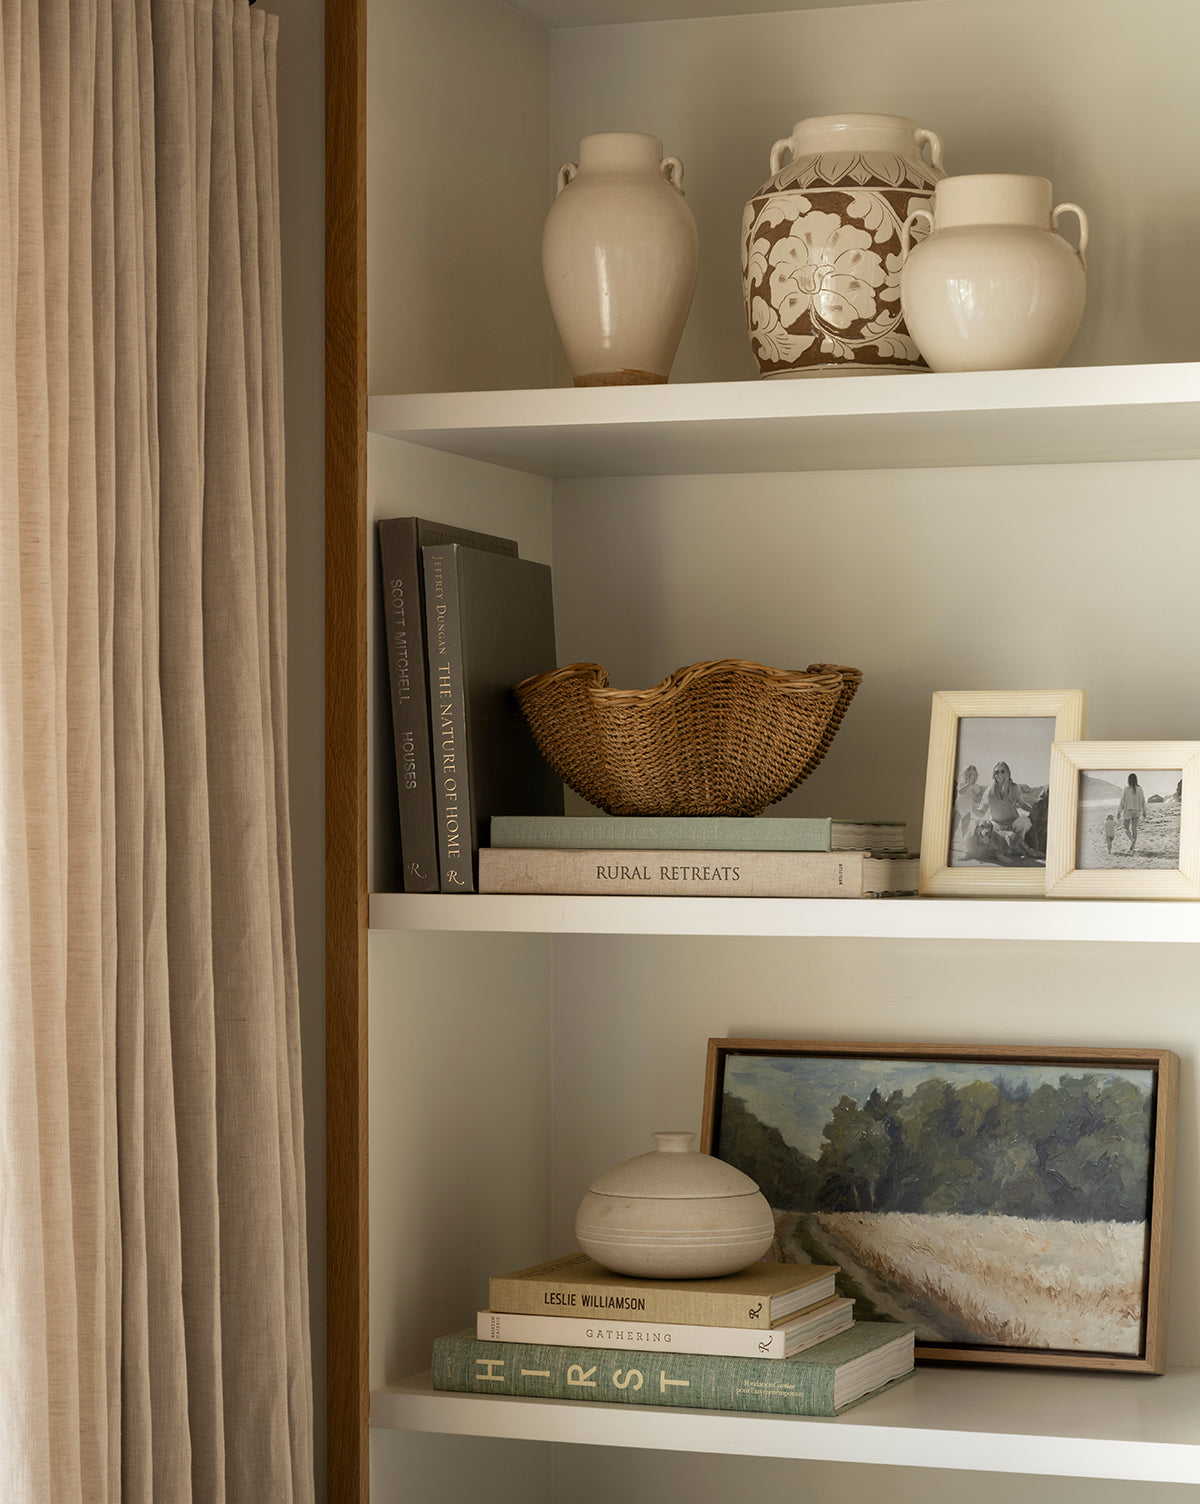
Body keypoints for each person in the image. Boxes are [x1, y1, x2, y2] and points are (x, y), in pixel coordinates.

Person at [975, 761, 1045, 861]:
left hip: (1013, 824)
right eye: (996, 772)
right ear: (993, 774)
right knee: (992, 831)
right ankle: (1014, 849)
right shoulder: (989, 791)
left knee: (1025, 822)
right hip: (997, 825)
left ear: (1007, 773)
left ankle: (1019, 845)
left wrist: (1034, 810)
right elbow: (981, 811)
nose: (999, 774)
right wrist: (971, 809)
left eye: (1002, 771)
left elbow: (1022, 804)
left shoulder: (1015, 788)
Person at [1118, 773, 1147, 854]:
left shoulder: (1126, 789)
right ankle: (1133, 847)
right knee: (1134, 829)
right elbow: (1143, 801)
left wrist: (1119, 811)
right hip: (1137, 811)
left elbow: (1122, 802)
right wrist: (1144, 811)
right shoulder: (1140, 789)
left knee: (1126, 828)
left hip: (1128, 811)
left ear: (1128, 780)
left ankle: (1132, 840)